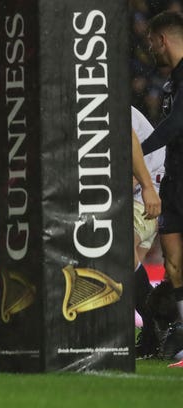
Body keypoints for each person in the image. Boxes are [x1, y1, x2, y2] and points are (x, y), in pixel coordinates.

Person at [140, 11, 183, 354]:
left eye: (151, 40)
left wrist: (137, 153)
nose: (149, 47)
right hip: (174, 182)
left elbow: (176, 125)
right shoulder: (172, 82)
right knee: (173, 265)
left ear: (163, 40)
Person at [131, 106, 164, 357]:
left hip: (145, 188)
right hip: (133, 189)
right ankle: (156, 328)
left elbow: (132, 155)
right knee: (128, 267)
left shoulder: (106, 105)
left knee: (120, 251)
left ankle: (158, 323)